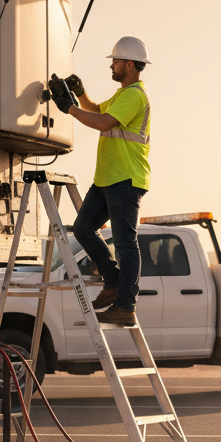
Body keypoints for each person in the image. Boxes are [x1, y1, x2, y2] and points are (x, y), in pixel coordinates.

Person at [49, 36, 152, 326]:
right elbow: (97, 111)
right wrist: (80, 95)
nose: (112, 65)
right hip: (108, 178)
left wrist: (69, 107)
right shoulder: (123, 95)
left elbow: (104, 123)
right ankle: (113, 279)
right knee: (82, 228)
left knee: (125, 244)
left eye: (115, 61)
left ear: (129, 65)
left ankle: (125, 305)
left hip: (125, 178)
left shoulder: (134, 95)